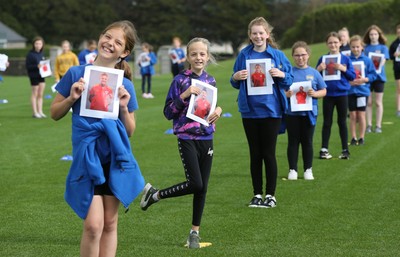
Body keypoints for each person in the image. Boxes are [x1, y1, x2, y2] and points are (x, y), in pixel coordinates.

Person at [50, 20, 144, 257]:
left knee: (110, 224)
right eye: (107, 36)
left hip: (114, 158)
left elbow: (130, 130)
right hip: (87, 157)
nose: (110, 43)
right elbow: (54, 113)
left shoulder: (126, 85)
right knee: (93, 226)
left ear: (125, 52)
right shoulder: (76, 73)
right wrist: (72, 98)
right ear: (100, 37)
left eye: (118, 42)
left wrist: (123, 107)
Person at [140, 37, 222, 249]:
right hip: (187, 138)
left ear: (208, 56)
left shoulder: (211, 81)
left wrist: (218, 111)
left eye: (202, 54)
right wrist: (184, 95)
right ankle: (155, 195)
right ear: (187, 57)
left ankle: (194, 233)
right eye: (194, 54)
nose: (198, 57)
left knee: (202, 189)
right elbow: (168, 112)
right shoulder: (180, 80)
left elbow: (209, 107)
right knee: (196, 183)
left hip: (207, 137)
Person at [230, 17, 293, 208]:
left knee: (269, 153)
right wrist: (236, 76)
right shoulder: (244, 55)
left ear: (267, 34)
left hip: (271, 111)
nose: (258, 36)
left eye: (261, 32)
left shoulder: (278, 55)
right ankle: (257, 194)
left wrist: (281, 75)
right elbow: (234, 81)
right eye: (254, 33)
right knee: (255, 154)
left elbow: (289, 80)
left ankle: (270, 195)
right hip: (249, 111)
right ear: (250, 35)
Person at [285, 41, 326, 181]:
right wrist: (287, 94)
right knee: (293, 141)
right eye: (297, 55)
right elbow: (282, 91)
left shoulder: (314, 73)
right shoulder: (289, 73)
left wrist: (315, 94)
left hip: (309, 114)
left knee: (307, 141)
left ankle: (308, 169)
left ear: (308, 55)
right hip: (292, 113)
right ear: (293, 56)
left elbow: (324, 90)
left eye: (303, 55)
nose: (300, 58)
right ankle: (293, 170)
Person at [316, 32, 356, 160]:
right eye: (330, 42)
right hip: (328, 95)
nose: (333, 45)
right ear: (327, 44)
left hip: (342, 94)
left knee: (342, 122)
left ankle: (345, 149)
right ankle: (324, 149)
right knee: (327, 122)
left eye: (335, 42)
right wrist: (318, 69)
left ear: (340, 43)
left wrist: (343, 69)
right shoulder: (322, 59)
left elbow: (352, 76)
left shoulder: (345, 59)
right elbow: (314, 77)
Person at [348, 35, 378, 146]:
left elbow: (373, 75)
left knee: (361, 115)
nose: (355, 49)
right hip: (350, 92)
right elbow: (343, 75)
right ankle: (353, 137)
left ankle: (361, 137)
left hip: (362, 91)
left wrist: (365, 79)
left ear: (362, 47)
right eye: (353, 47)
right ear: (350, 47)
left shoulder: (367, 60)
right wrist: (348, 82)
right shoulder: (347, 60)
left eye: (357, 47)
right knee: (352, 115)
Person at [363, 25, 389, 133]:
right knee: (368, 102)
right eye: (371, 34)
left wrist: (378, 67)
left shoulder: (383, 48)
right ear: (368, 36)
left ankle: (378, 126)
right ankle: (368, 125)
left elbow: (384, 60)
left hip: (379, 78)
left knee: (378, 102)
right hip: (368, 78)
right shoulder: (366, 48)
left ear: (379, 35)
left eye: (375, 34)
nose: (373, 36)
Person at [25, 36, 47, 118]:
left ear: (42, 45)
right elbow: (28, 67)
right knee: (35, 93)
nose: (38, 45)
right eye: (36, 43)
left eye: (40, 43)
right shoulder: (30, 54)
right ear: (34, 44)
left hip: (42, 76)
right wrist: (36, 66)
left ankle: (40, 111)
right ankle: (35, 112)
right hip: (34, 76)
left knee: (41, 94)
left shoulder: (42, 54)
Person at [389, 24, 400, 117]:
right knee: (399, 89)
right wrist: (394, 55)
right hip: (397, 68)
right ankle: (398, 109)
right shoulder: (394, 44)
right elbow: (390, 56)